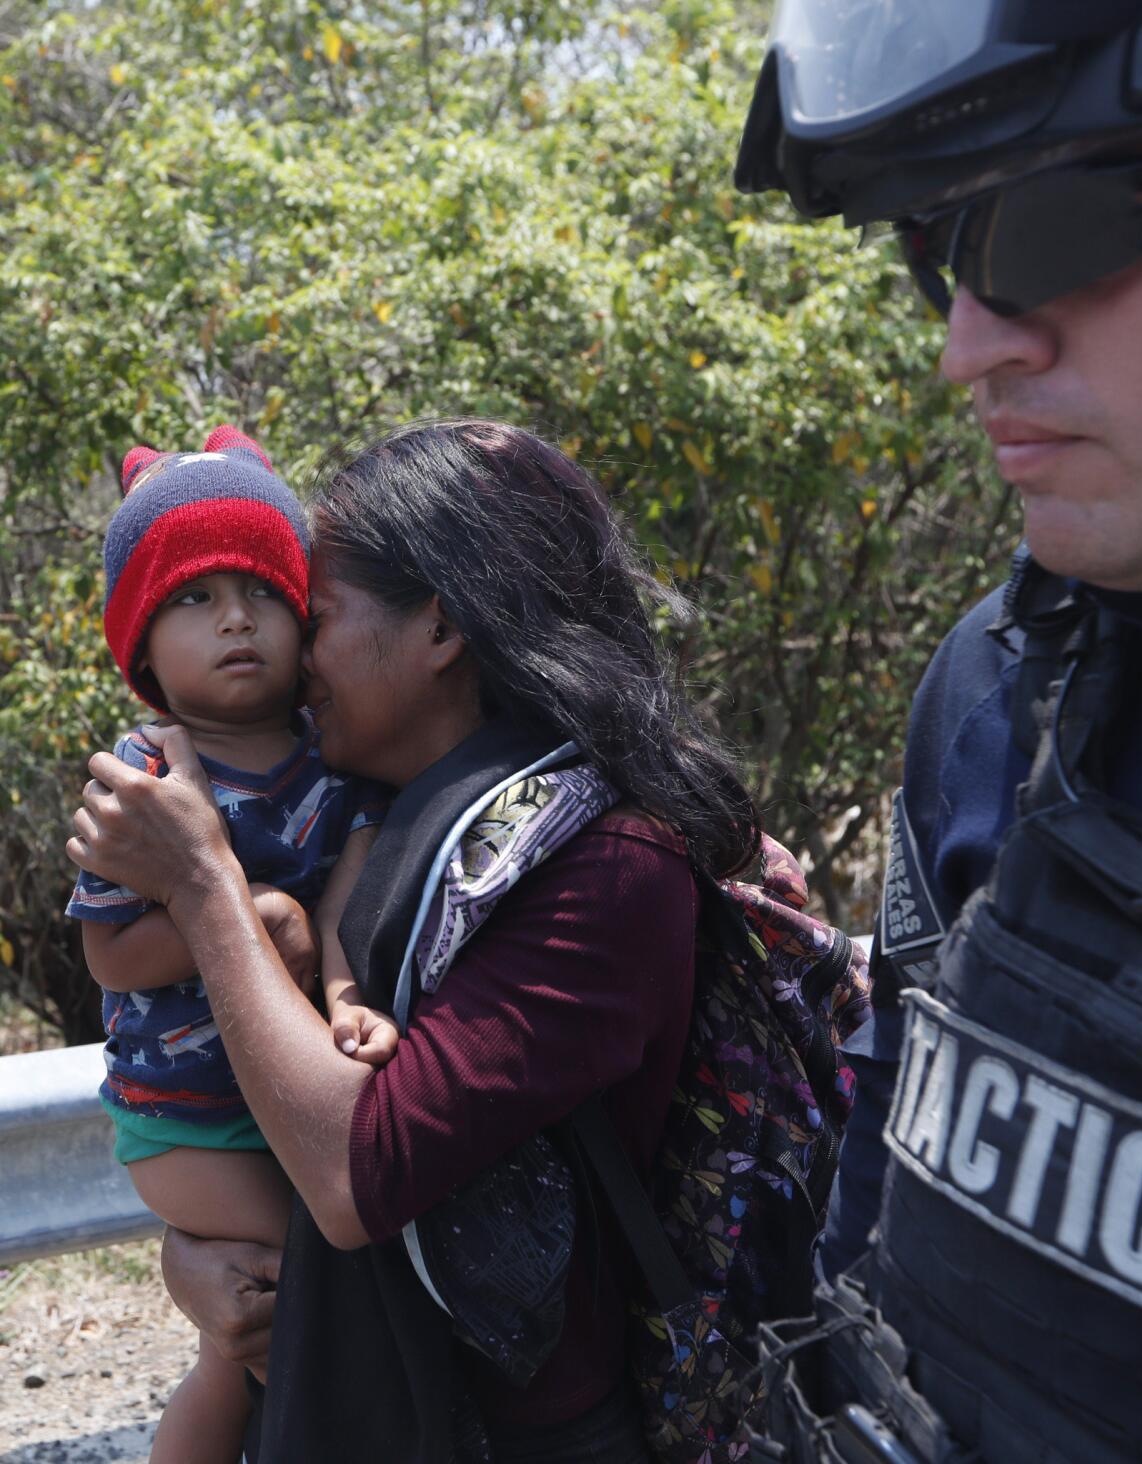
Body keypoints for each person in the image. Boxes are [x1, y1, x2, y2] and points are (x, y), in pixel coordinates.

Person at [66, 418, 767, 1463]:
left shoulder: (604, 864)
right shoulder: (405, 816)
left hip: (513, 1433)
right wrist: (203, 1255)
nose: (293, 656)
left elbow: (356, 1173)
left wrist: (206, 883)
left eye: (314, 612)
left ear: (438, 629)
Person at [736, 3, 1142, 1461]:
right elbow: (895, 1154)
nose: (965, 346)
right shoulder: (1007, 681)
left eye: (1049, 227)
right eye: (934, 250)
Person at [66, 426, 392, 1464]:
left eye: (259, 593)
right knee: (288, 1321)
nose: (235, 620)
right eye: (192, 601)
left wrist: (343, 995)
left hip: (286, 1102)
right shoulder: (145, 775)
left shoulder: (332, 755)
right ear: (140, 649)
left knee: (257, 1342)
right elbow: (111, 959)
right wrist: (249, 924)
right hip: (188, 1121)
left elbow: (344, 900)